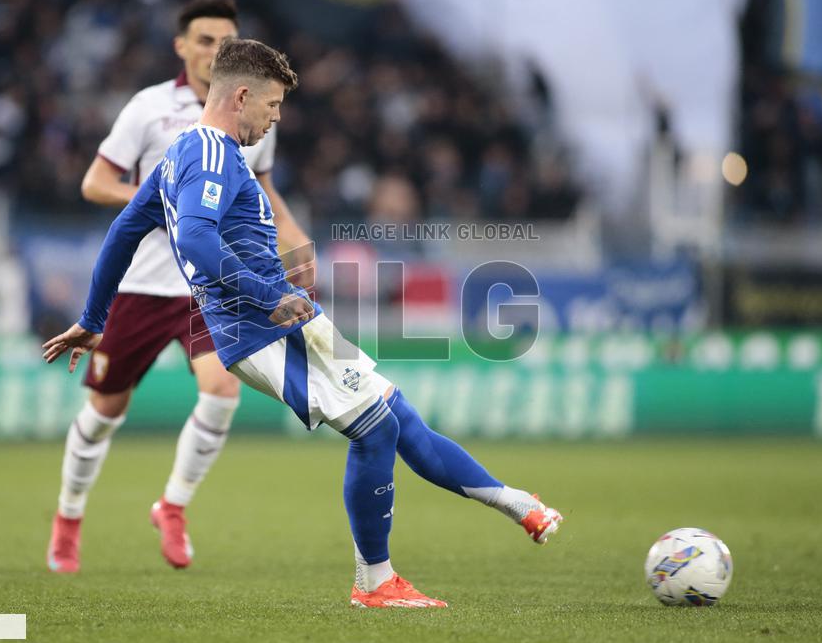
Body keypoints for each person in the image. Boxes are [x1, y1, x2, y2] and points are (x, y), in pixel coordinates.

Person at [43, 38, 562, 608]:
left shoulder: (182, 154)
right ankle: (374, 582)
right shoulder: (212, 154)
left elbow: (123, 232)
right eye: (272, 106)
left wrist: (94, 319)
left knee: (397, 415)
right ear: (241, 95)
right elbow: (194, 238)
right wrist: (268, 294)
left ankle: (515, 503)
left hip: (286, 320)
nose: (275, 118)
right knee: (375, 429)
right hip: (260, 327)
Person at [47, 0, 314, 574]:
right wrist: (171, 199)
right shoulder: (149, 108)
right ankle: (68, 518)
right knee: (104, 410)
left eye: (225, 39)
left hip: (209, 288)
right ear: (181, 46)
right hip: (144, 286)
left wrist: (294, 236)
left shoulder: (254, 109)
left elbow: (259, 189)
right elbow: (96, 183)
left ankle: (173, 506)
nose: (214, 48)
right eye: (203, 39)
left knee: (222, 394)